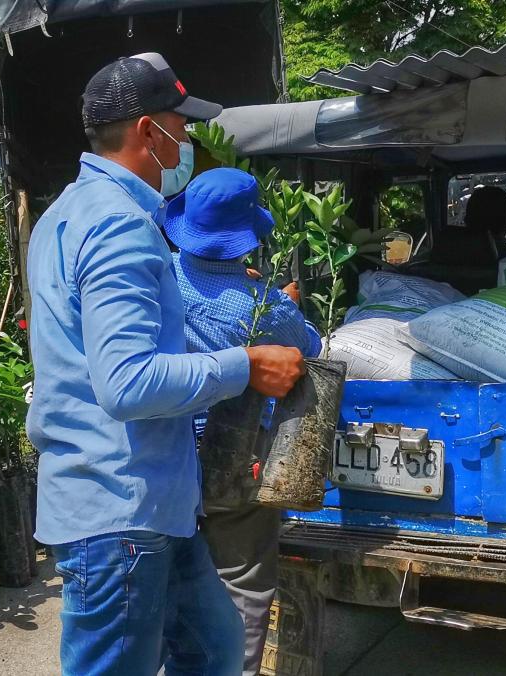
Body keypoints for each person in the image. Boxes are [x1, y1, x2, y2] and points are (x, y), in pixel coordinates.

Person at [25, 53, 305, 676]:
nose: (185, 142)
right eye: (179, 128)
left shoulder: (65, 214)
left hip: (157, 503)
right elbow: (126, 383)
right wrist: (244, 365)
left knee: (214, 649)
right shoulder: (117, 225)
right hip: (118, 509)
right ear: (148, 132)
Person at [164, 167, 321, 675]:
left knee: (173, 586)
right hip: (234, 461)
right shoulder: (265, 306)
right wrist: (285, 303)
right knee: (244, 585)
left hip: (165, 455)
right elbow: (310, 349)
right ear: (248, 238)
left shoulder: (160, 277)